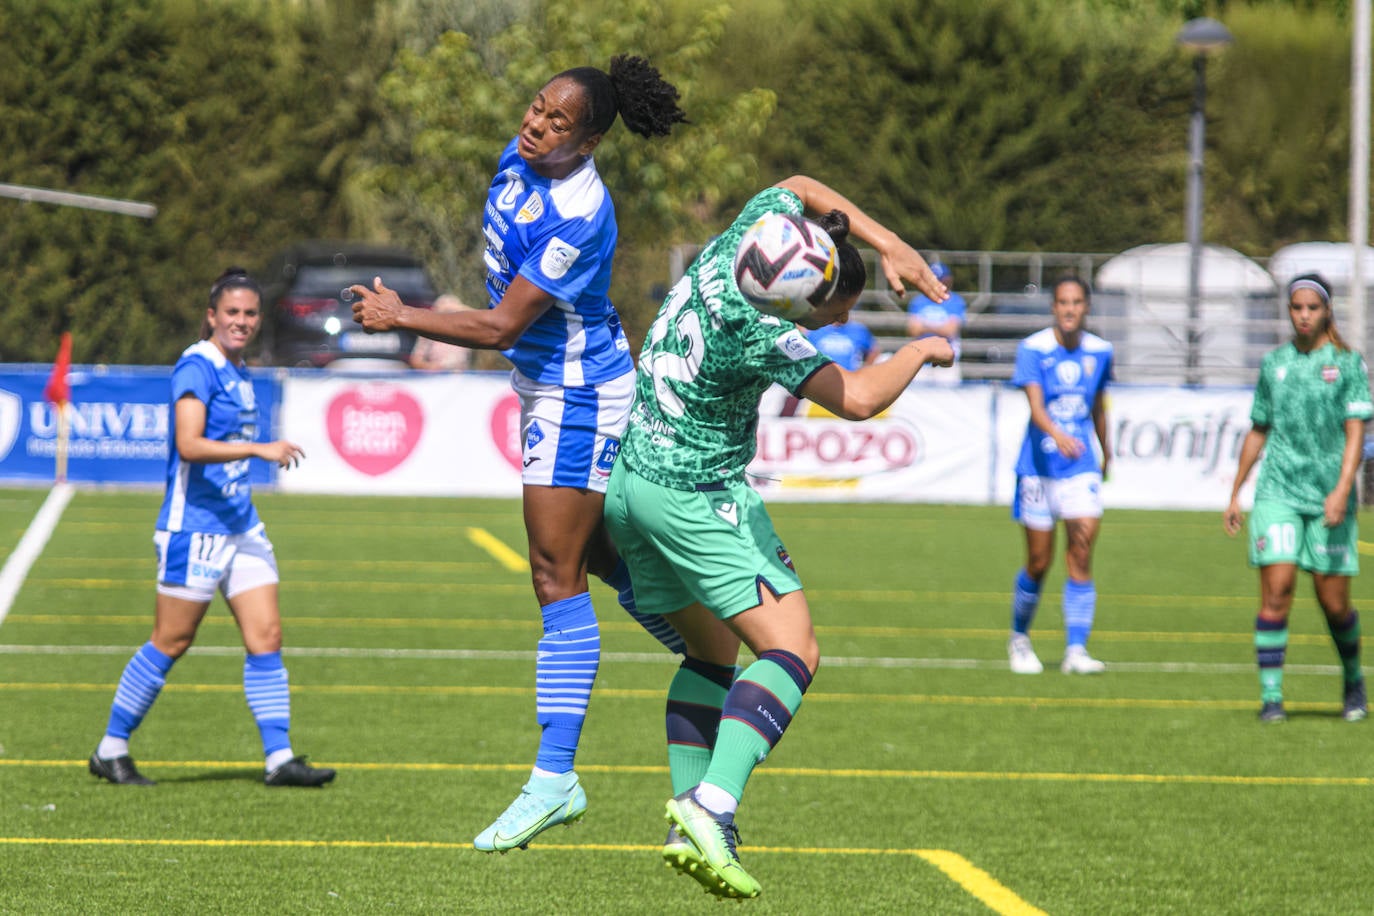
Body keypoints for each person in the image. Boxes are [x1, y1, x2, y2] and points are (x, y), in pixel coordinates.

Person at [349, 56, 688, 852]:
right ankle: (711, 651)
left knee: (552, 573)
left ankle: (554, 780)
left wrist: (406, 314)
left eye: (557, 122)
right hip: (549, 387)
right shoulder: (522, 153)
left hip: (579, 395)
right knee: (601, 560)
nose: (535, 125)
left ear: (592, 139)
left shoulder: (583, 211)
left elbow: (501, 326)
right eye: (536, 109)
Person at [603, 176, 952, 899]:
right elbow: (856, 399)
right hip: (695, 497)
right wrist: (921, 350)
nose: (828, 329)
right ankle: (713, 804)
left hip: (631, 482)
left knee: (711, 651)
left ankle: (690, 823)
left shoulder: (742, 241)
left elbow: (795, 185)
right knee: (793, 647)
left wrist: (888, 244)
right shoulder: (767, 328)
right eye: (832, 317)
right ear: (804, 299)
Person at [89, 267, 333, 788]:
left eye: (249, 313)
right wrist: (259, 449)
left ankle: (279, 758)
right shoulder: (197, 365)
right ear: (211, 316)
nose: (241, 322)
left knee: (266, 635)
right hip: (194, 528)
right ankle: (111, 748)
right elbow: (188, 444)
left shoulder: (238, 368)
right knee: (172, 640)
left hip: (240, 525)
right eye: (232, 313)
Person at [1224, 273, 1370, 723]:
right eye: (1296, 308)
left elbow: (1355, 431)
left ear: (1327, 311)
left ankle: (1352, 680)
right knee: (1277, 592)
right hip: (1278, 492)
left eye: (1312, 307)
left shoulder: (1347, 364)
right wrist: (1236, 491)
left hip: (1329, 496)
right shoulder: (1274, 364)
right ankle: (1272, 698)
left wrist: (1343, 489)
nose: (1303, 315)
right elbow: (1259, 427)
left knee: (1334, 604)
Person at [1006, 276, 1112, 676]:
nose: (1070, 309)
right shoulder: (1033, 349)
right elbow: (1036, 409)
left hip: (1080, 468)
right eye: (1063, 302)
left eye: (1077, 302)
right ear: (1054, 307)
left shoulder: (1101, 351)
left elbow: (1099, 404)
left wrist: (1107, 450)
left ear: (1087, 307)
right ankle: (1019, 638)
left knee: (1081, 553)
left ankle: (1076, 651)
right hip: (1037, 468)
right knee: (1038, 561)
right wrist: (1057, 434)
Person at [905, 261, 965, 383]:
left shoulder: (955, 301)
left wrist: (924, 326)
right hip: (921, 361)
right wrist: (939, 327)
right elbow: (913, 330)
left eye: (941, 280)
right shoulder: (918, 301)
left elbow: (950, 330)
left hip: (945, 363)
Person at [410, 294, 473, 371]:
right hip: (436, 377)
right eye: (444, 312)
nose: (448, 316)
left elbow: (478, 317)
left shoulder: (465, 330)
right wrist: (429, 367)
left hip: (460, 377)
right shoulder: (429, 331)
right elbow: (416, 360)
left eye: (451, 311)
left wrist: (457, 307)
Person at [805, 315, 879, 370]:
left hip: (850, 379)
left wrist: (864, 370)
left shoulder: (858, 330)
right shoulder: (816, 330)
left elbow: (873, 351)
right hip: (824, 379)